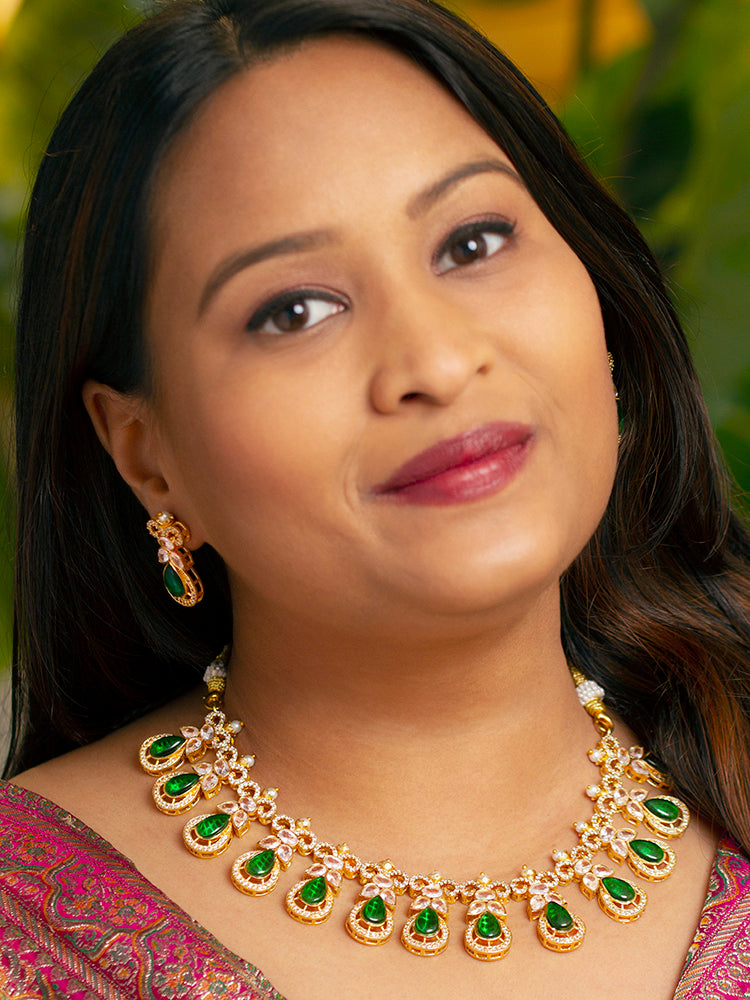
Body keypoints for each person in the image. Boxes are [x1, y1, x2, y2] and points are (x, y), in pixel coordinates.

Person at [1, 0, 749, 996]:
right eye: (294, 310)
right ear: (147, 455)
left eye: (473, 243)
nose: (434, 362)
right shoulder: (28, 933)